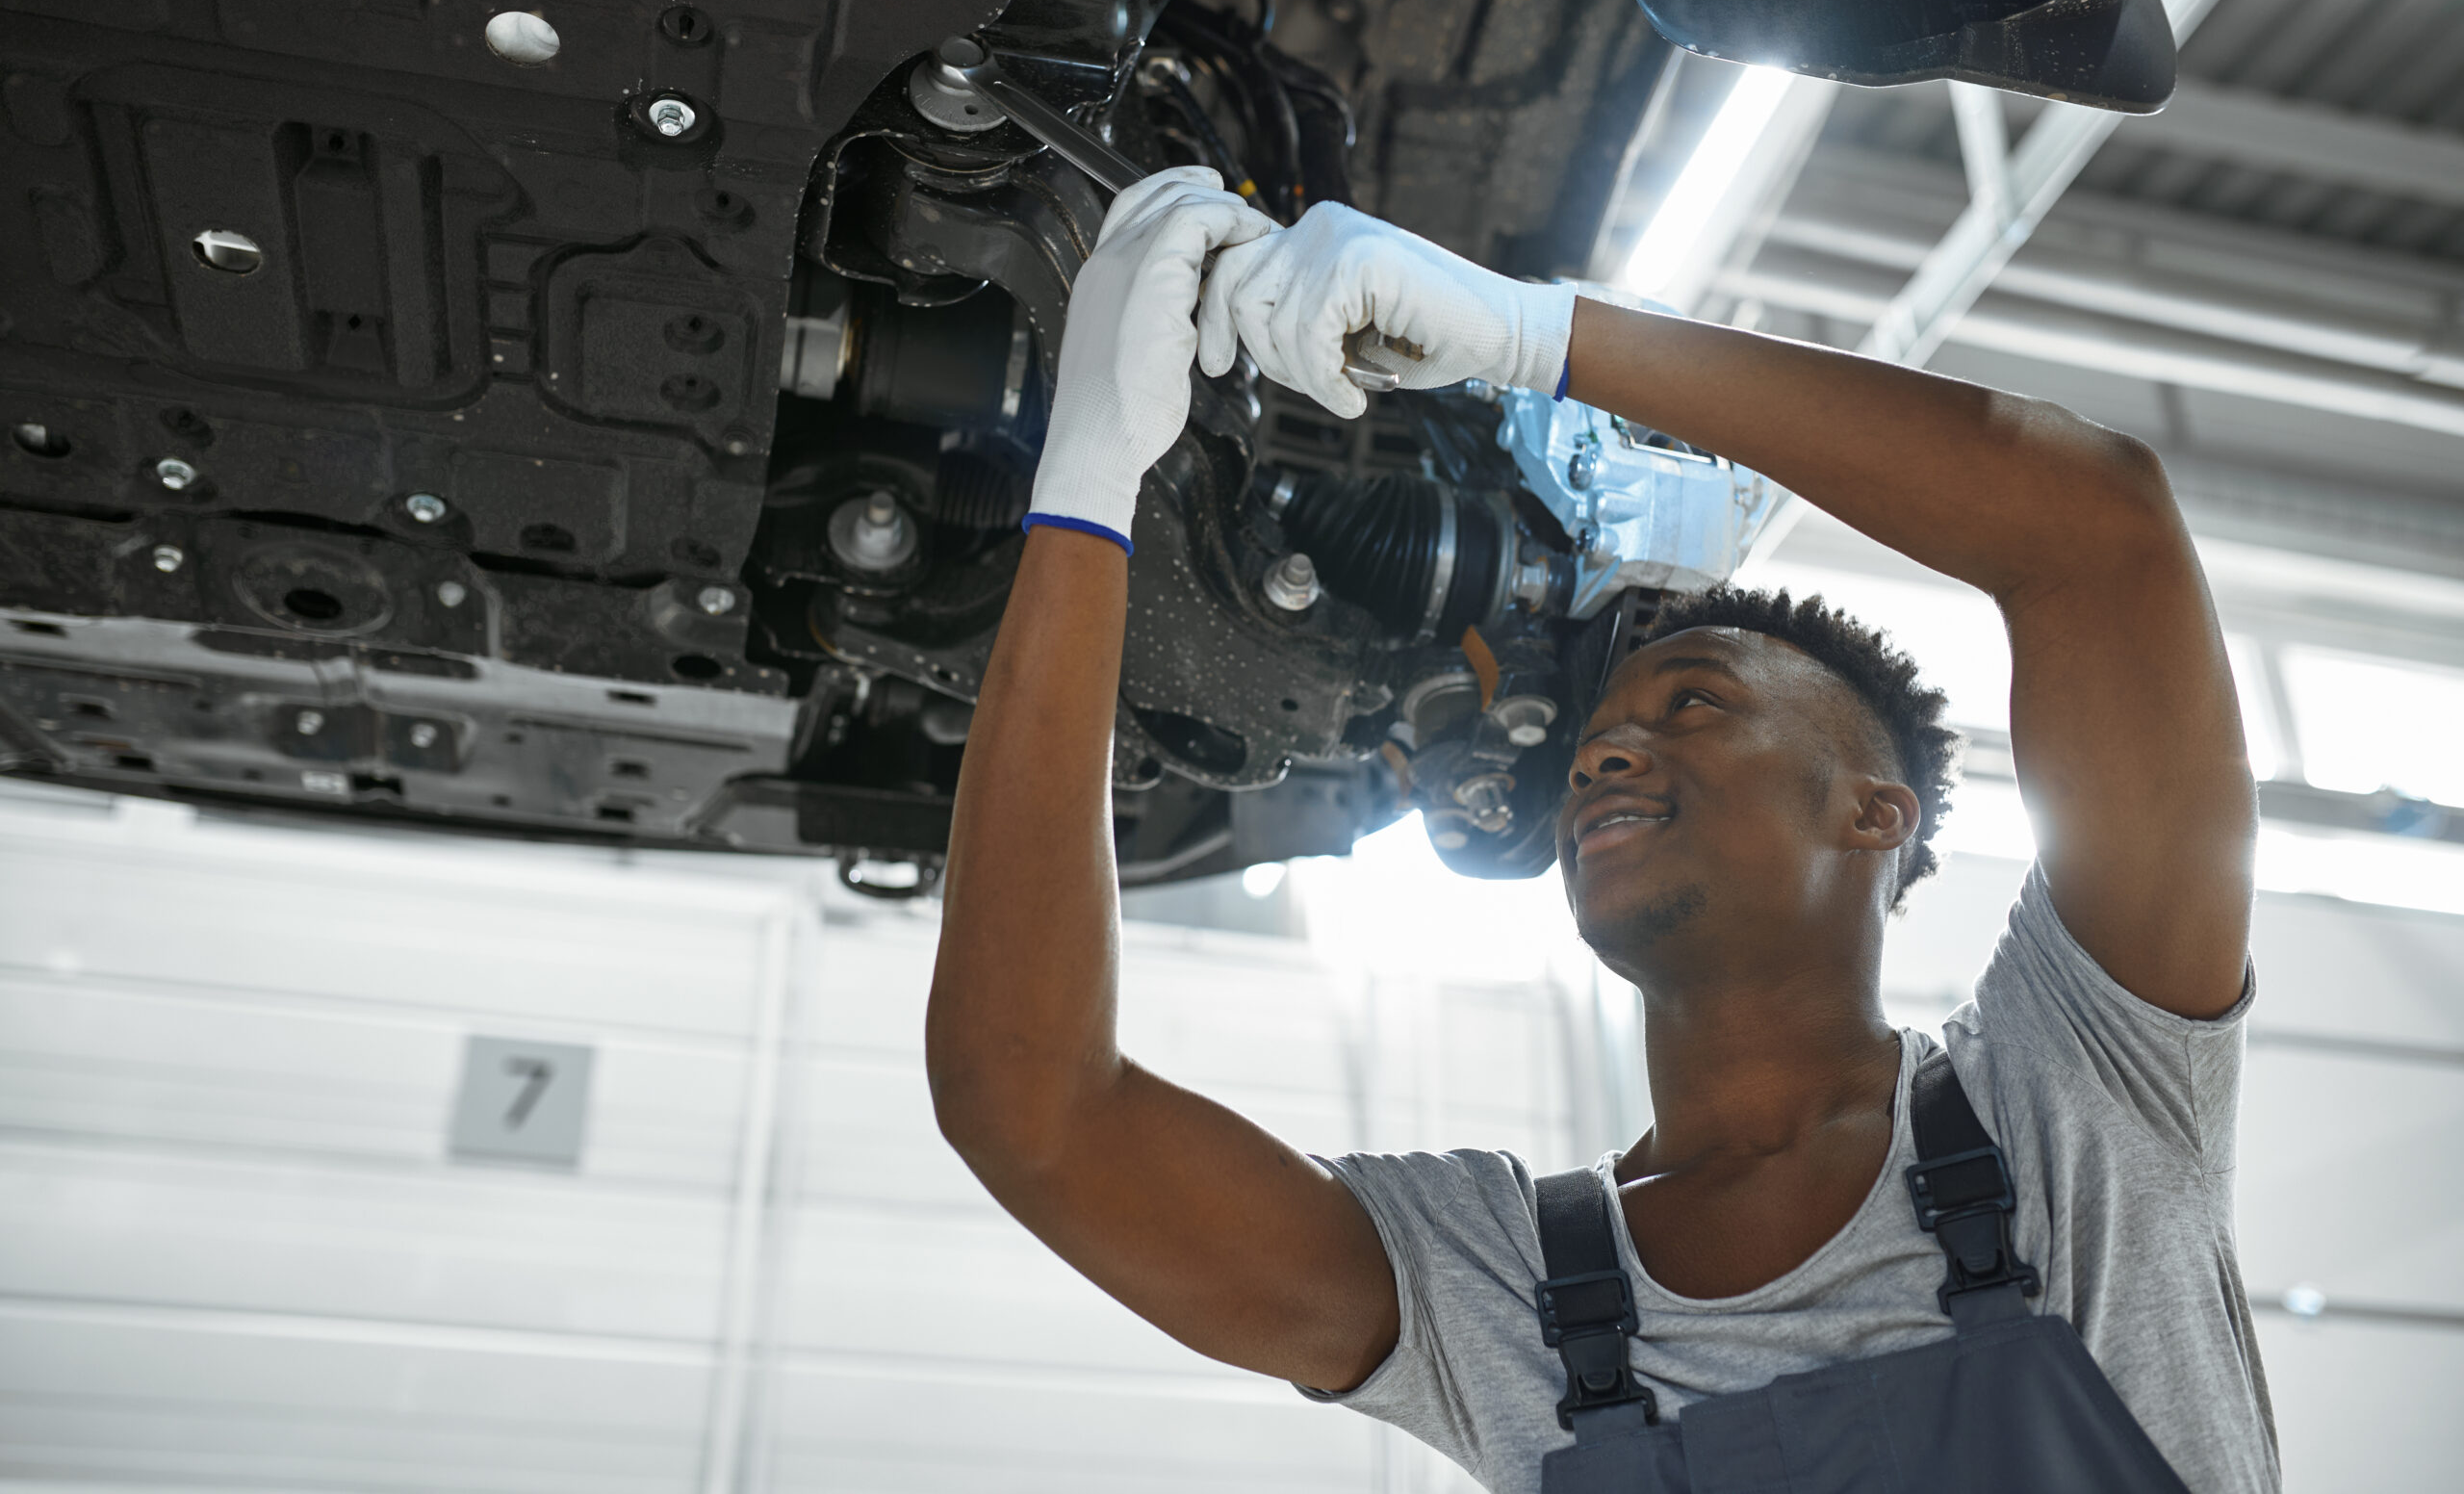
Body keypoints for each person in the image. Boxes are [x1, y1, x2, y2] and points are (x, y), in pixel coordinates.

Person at [929, 167, 2273, 1493]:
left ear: (1876, 814)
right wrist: (1086, 481)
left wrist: (1539, 334)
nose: (1609, 749)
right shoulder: (1506, 1292)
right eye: (1600, 736)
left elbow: (2101, 533)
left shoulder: (2079, 1099)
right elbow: (1038, 1109)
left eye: (1697, 702)